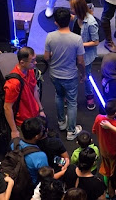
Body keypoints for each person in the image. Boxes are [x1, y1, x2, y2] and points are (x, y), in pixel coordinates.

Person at [43, 7, 84, 140]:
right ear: (70, 19)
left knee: (59, 96)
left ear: (56, 22)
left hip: (54, 74)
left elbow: (46, 57)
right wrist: (83, 74)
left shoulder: (50, 37)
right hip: (70, 76)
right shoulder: (77, 39)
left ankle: (61, 123)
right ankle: (71, 131)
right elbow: (80, 61)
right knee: (72, 102)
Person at [3, 46, 44, 139]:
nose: (35, 63)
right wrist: (14, 130)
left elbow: (34, 89)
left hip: (34, 115)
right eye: (32, 61)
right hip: (23, 123)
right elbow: (7, 107)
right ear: (22, 62)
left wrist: (40, 109)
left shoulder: (30, 71)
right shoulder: (13, 83)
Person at [70, 0, 99, 110]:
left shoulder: (91, 23)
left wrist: (80, 44)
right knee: (71, 75)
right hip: (74, 52)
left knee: (86, 76)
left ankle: (89, 96)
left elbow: (95, 42)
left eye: (72, 8)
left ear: (78, 9)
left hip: (86, 55)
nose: (71, 9)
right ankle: (70, 96)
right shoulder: (77, 17)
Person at [92, 99, 116, 193]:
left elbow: (94, 131)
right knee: (113, 172)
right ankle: (111, 189)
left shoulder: (98, 118)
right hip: (114, 152)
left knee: (106, 169)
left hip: (103, 149)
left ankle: (106, 187)